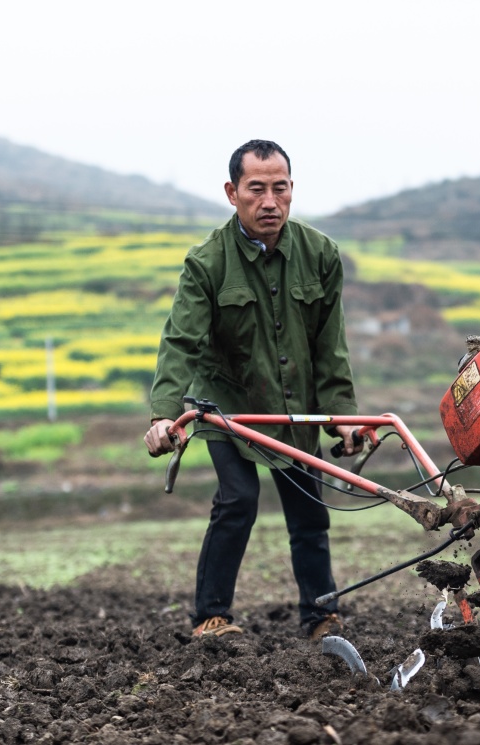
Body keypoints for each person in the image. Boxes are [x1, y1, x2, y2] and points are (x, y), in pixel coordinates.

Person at [144, 139, 362, 641]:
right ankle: (211, 617)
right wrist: (163, 413)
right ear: (232, 192)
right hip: (230, 408)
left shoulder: (320, 254)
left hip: (296, 409)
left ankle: (320, 616)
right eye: (256, 189)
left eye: (279, 189)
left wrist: (342, 414)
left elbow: (331, 346)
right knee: (238, 499)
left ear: (291, 190)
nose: (270, 202)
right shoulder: (207, 263)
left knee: (310, 508)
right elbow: (181, 342)